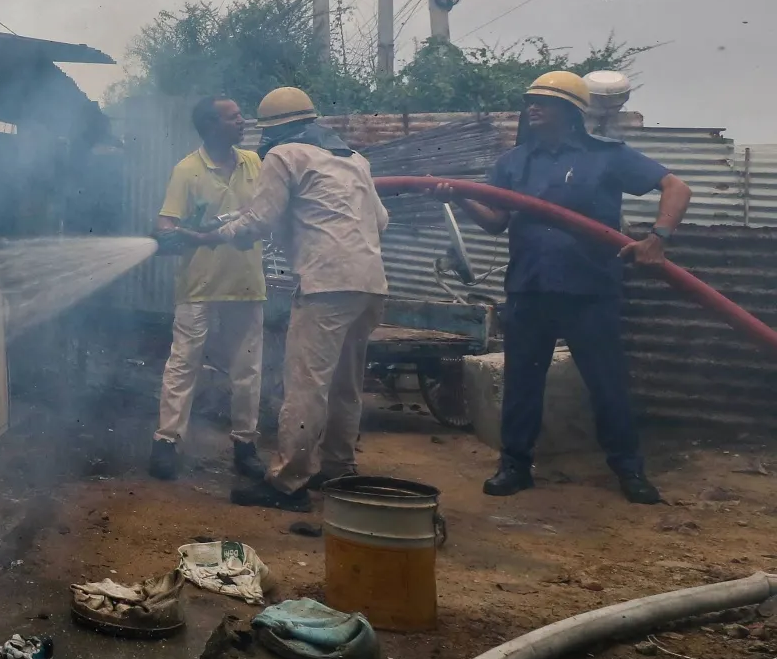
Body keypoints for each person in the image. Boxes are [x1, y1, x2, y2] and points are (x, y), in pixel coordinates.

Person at [447, 71, 691, 505]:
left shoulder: (607, 156)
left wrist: (658, 238)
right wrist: (460, 197)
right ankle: (515, 466)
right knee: (522, 382)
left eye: (544, 101)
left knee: (606, 383)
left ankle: (629, 469)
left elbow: (676, 187)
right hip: (529, 288)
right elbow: (496, 222)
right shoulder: (513, 162)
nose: (532, 108)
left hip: (590, 290)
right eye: (530, 101)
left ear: (572, 112)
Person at [195, 87, 390, 512]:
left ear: (272, 130)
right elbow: (381, 220)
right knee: (345, 383)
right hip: (370, 282)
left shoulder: (284, 156)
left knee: (305, 384)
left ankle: (289, 483)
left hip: (326, 284)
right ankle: (338, 467)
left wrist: (214, 235)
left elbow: (260, 220)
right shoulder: (355, 159)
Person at [149, 97, 267, 482]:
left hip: (246, 284)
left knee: (246, 370)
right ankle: (167, 442)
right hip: (197, 285)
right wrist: (179, 235)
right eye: (234, 117)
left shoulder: (254, 163)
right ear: (212, 126)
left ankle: (245, 446)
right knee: (184, 364)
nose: (242, 120)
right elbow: (166, 225)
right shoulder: (187, 170)